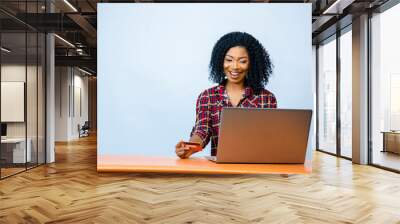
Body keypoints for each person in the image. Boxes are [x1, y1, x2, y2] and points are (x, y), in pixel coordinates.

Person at [175, 31, 277, 159]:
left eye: (242, 61)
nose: (234, 67)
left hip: (255, 168)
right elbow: (202, 130)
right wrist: (190, 147)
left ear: (252, 64)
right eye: (229, 60)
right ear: (220, 61)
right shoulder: (208, 96)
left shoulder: (266, 98)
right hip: (222, 171)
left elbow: (269, 137)